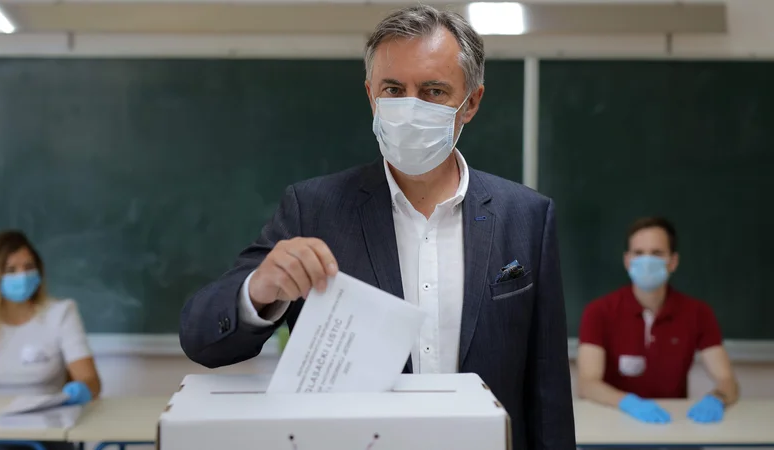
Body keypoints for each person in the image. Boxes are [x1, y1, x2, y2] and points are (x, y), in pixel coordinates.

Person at [179, 4, 575, 449]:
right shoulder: (314, 209)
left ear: (471, 103)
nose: (409, 108)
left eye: (432, 91)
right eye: (393, 89)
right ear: (371, 95)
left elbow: (549, 392)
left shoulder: (526, 216)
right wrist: (258, 290)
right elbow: (201, 339)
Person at [577, 217, 739, 425]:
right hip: (613, 425)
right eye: (639, 253)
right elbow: (587, 383)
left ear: (673, 261)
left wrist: (717, 398)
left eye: (656, 253)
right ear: (627, 261)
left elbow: (728, 381)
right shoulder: (598, 311)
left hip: (673, 426)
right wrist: (628, 402)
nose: (647, 261)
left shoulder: (698, 313)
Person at [0, 230, 101, 450]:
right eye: (10, 270)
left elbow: (91, 380)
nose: (22, 276)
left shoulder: (61, 313)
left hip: (49, 430)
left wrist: (81, 390)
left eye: (28, 267)